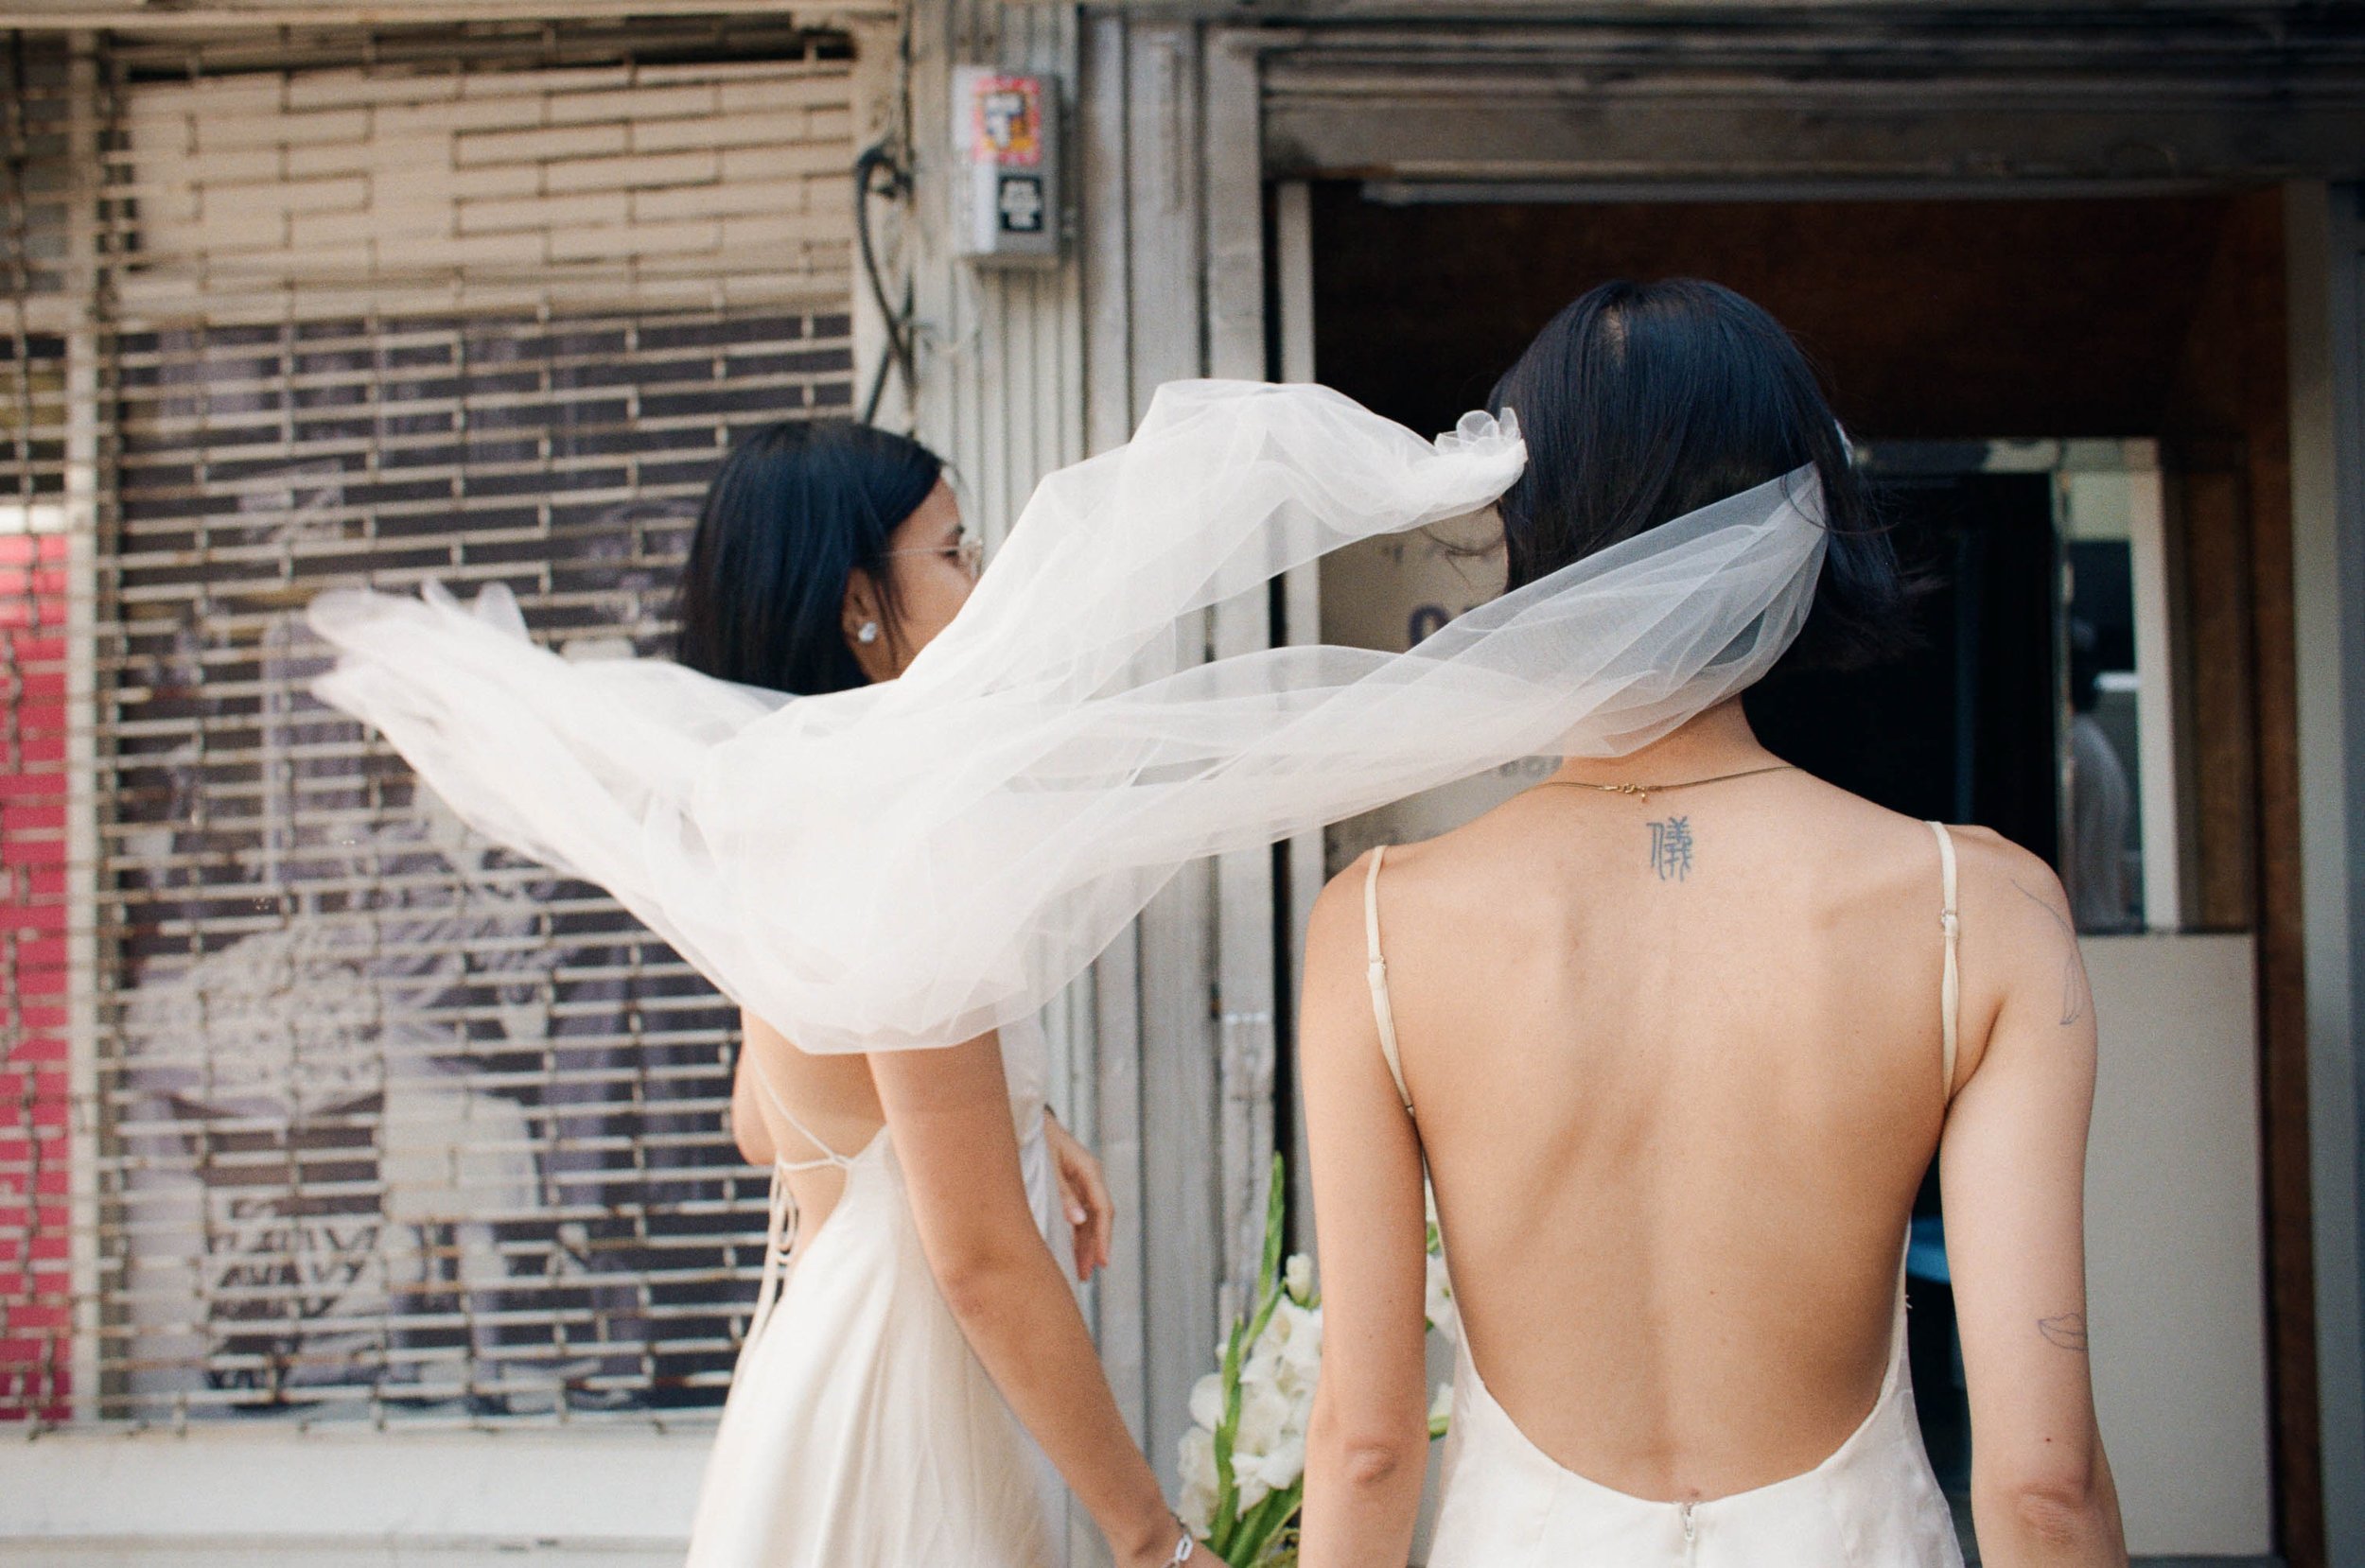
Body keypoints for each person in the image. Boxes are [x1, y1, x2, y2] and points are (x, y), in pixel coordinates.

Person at [1294, 281, 2126, 1567]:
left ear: (1522, 531)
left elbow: (1363, 1440)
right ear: (1789, 523)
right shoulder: (1985, 908)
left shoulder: (1376, 926)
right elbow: (2043, 1483)